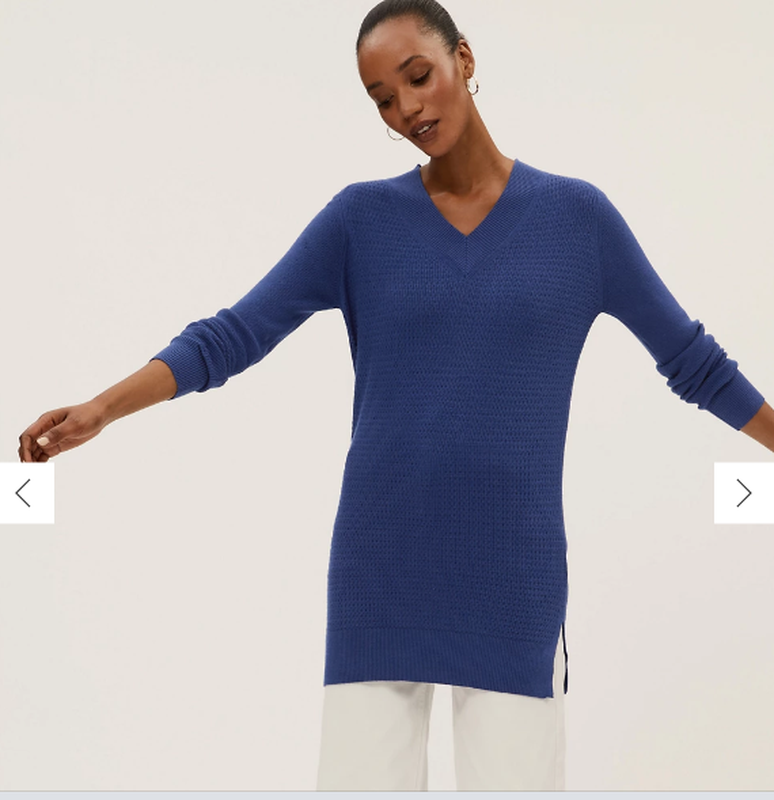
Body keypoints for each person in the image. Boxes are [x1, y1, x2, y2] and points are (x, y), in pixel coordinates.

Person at [17, 0, 774, 791]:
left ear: (464, 61)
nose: (406, 108)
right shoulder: (360, 221)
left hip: (513, 574)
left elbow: (693, 361)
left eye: (418, 77)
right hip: (381, 568)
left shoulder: (577, 220)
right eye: (382, 97)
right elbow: (232, 335)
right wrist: (102, 408)